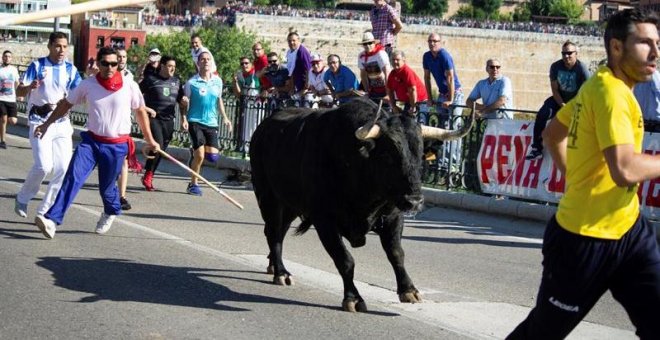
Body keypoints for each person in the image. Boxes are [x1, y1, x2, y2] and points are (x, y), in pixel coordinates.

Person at [507, 9, 660, 339]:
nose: (656, 53)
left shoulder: (599, 84)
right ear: (617, 48)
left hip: (629, 231)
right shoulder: (611, 95)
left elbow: (552, 134)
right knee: (542, 333)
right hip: (583, 239)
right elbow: (625, 169)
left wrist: (575, 178)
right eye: (645, 43)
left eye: (658, 43)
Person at [33, 47, 160, 239]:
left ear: (118, 64)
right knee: (73, 177)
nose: (110, 67)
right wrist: (46, 124)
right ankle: (52, 220)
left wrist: (150, 140)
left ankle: (111, 210)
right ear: (98, 64)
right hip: (91, 142)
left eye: (114, 64)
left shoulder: (129, 85)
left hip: (116, 145)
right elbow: (66, 104)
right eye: (105, 63)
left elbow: (140, 112)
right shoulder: (88, 84)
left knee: (107, 189)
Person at [14, 31, 82, 219]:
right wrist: (29, 87)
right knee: (44, 166)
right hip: (39, 121)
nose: (61, 50)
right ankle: (22, 197)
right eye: (58, 46)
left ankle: (44, 211)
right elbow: (19, 91)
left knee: (62, 168)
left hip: (61, 123)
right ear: (50, 46)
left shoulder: (71, 69)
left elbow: (80, 93)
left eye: (65, 46)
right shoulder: (37, 65)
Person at [526, 41, 591, 160]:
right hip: (559, 99)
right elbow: (554, 90)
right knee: (542, 114)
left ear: (576, 54)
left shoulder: (582, 69)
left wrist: (572, 106)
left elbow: (588, 92)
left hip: (577, 101)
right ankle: (536, 148)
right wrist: (562, 104)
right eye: (564, 53)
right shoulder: (555, 67)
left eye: (569, 53)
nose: (566, 56)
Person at [181, 51, 232, 196]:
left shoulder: (218, 81)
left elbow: (219, 100)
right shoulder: (191, 83)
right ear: (198, 63)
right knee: (201, 156)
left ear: (212, 62)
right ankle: (193, 184)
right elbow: (184, 103)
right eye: (203, 60)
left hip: (212, 122)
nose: (206, 62)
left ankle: (193, 156)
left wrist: (225, 118)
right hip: (195, 121)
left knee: (213, 157)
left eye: (208, 59)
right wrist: (184, 117)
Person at [140, 55, 184, 191]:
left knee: (161, 151)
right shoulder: (150, 80)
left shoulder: (176, 81)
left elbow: (181, 101)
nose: (172, 69)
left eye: (174, 67)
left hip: (169, 120)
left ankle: (149, 173)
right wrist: (146, 109)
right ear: (162, 66)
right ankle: (148, 175)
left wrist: (184, 116)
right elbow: (135, 97)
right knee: (157, 145)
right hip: (154, 118)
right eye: (170, 66)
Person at [423, 33, 465, 171]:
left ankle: (453, 164)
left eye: (435, 41)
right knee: (441, 129)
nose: (432, 43)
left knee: (454, 127)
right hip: (442, 94)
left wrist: (451, 99)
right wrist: (429, 97)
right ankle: (439, 161)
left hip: (455, 94)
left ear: (440, 42)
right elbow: (427, 78)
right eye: (430, 41)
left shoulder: (444, 55)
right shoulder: (427, 56)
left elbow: (451, 79)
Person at [116, 47, 134, 210]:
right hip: (106, 128)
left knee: (124, 161)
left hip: (123, 125)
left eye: (124, 57)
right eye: (119, 57)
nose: (122, 59)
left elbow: (135, 100)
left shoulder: (130, 77)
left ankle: (122, 196)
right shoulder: (107, 74)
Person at [232, 56, 261, 152]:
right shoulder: (240, 76)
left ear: (251, 64)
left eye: (246, 63)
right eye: (242, 64)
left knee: (255, 126)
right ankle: (245, 148)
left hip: (256, 104)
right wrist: (235, 82)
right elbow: (238, 94)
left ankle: (254, 148)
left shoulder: (256, 74)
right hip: (246, 104)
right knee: (246, 126)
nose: (244, 65)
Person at [385, 50, 427, 116]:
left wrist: (413, 107)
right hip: (408, 101)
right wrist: (393, 106)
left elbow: (412, 90)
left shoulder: (407, 72)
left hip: (419, 102)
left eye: (397, 60)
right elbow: (390, 90)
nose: (395, 62)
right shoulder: (392, 73)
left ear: (403, 60)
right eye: (393, 60)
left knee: (418, 123)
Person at [357, 31, 391, 103]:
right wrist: (366, 91)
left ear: (374, 43)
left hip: (385, 88)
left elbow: (387, 73)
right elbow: (363, 74)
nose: (367, 46)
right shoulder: (361, 56)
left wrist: (389, 94)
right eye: (365, 44)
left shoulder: (381, 54)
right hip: (373, 90)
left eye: (370, 43)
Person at [0, 50, 19, 149]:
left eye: (9, 57)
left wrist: (19, 93)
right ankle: (3, 141)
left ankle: (2, 128)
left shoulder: (14, 70)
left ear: (11, 58)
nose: (7, 58)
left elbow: (17, 82)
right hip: (1, 98)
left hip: (11, 99)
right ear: (2, 58)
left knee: (13, 121)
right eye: (5, 56)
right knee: (3, 119)